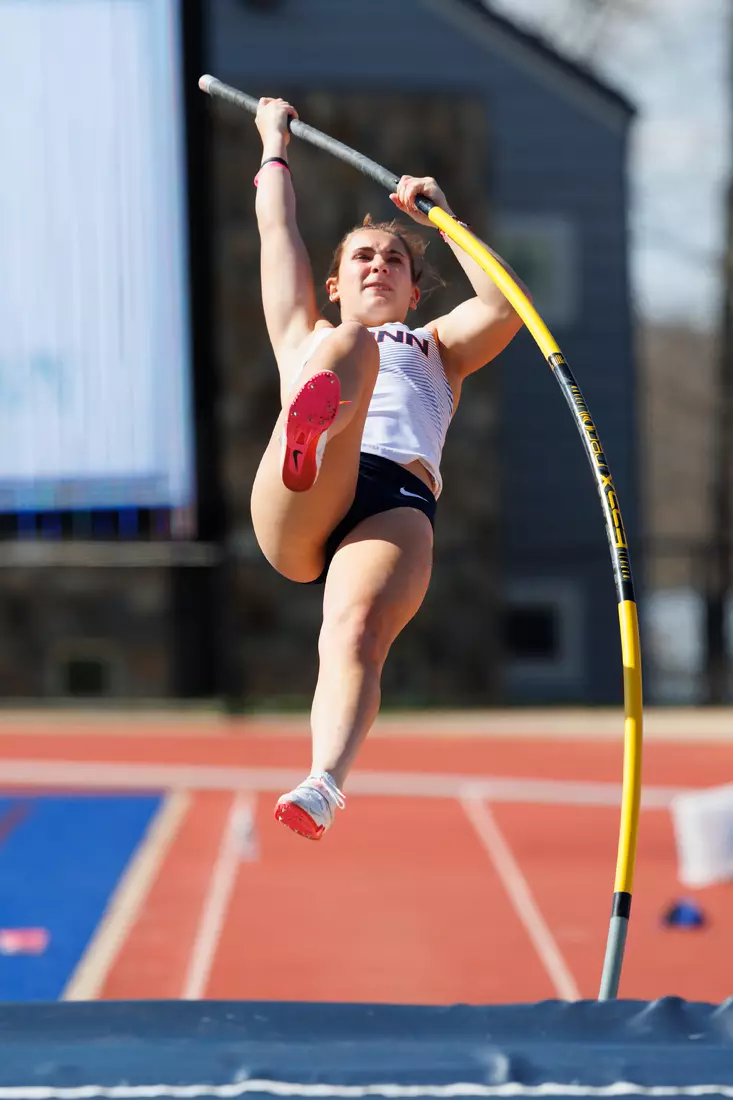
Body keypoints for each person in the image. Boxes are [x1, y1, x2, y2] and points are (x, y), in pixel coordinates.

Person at [250, 97, 530, 840]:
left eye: (395, 260)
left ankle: (322, 784)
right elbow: (277, 231)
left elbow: (504, 306)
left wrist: (445, 218)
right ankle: (316, 430)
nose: (379, 263)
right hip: (301, 495)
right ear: (335, 282)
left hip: (391, 505)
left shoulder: (440, 348)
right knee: (349, 348)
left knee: (355, 632)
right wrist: (272, 143)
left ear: (413, 292)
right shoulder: (305, 332)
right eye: (363, 257)